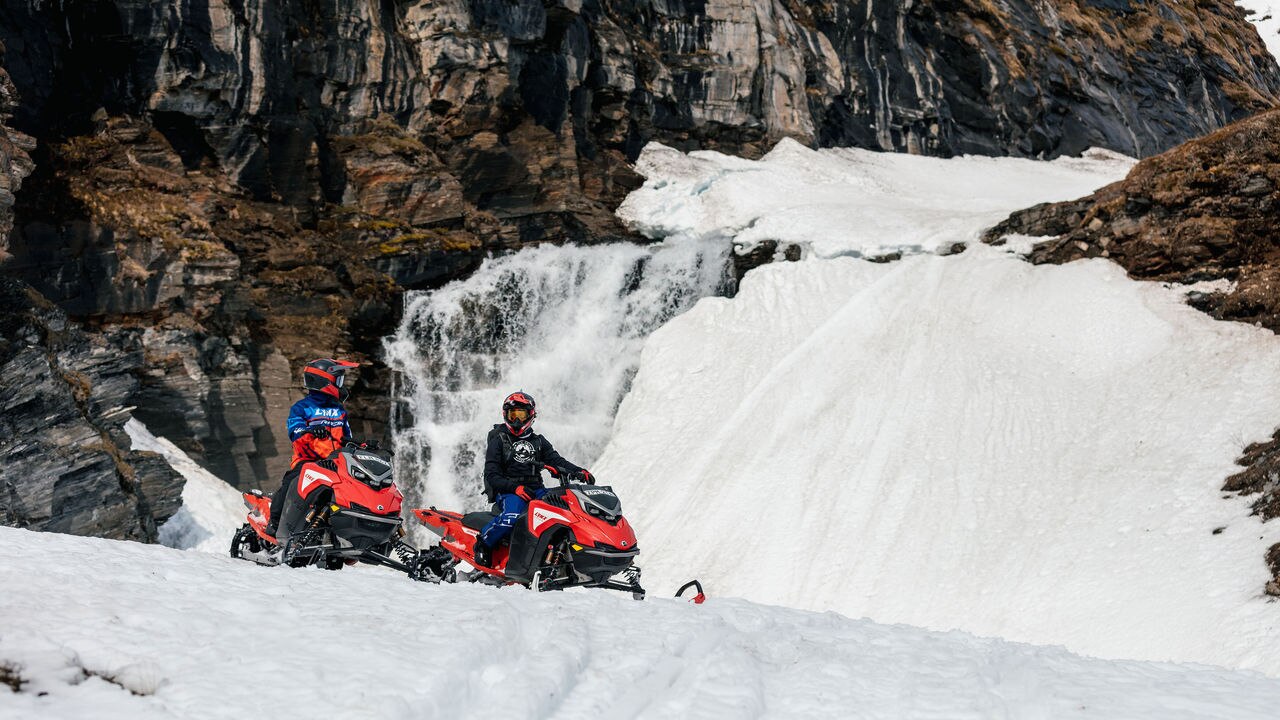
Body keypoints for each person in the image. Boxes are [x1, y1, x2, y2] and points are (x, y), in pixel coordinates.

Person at [473, 391, 592, 567]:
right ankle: (484, 542)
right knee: (512, 517)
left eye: (521, 415)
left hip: (536, 489)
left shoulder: (538, 441)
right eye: (512, 415)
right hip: (509, 492)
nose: (517, 420)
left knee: (568, 510)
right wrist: (515, 488)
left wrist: (579, 471)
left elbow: (556, 460)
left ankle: (562, 553)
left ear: (531, 415)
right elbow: (491, 474)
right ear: (505, 414)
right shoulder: (498, 439)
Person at [264, 358, 359, 540]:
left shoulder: (340, 410)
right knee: (291, 482)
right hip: (308, 462)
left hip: (335, 463)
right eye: (338, 380)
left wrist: (361, 446)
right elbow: (296, 433)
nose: (341, 385)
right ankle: (274, 522)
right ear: (325, 381)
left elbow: (348, 438)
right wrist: (309, 431)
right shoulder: (301, 408)